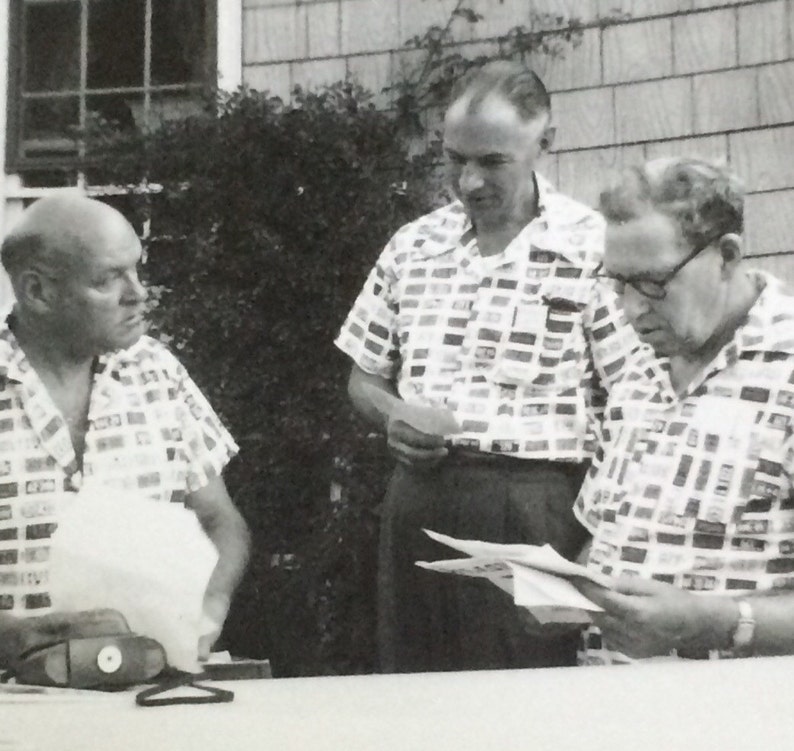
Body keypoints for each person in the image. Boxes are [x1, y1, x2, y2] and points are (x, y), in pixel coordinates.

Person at [335, 60, 642, 673]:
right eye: (455, 159)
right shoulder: (412, 246)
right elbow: (363, 377)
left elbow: (633, 401)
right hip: (418, 502)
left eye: (493, 161)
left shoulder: (593, 247)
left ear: (543, 143)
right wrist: (393, 415)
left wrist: (590, 535)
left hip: (538, 507)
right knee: (414, 698)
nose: (470, 181)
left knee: (523, 705)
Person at [0, 192, 250, 669]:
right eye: (107, 279)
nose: (137, 293)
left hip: (148, 692)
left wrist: (209, 605)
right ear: (37, 292)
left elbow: (220, 521)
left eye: (135, 269)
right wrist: (26, 636)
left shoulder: (156, 372)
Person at [571, 157, 794, 663]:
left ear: (727, 255)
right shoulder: (637, 365)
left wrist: (710, 623)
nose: (629, 310)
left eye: (652, 283)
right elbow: (606, 534)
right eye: (618, 282)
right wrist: (559, 596)